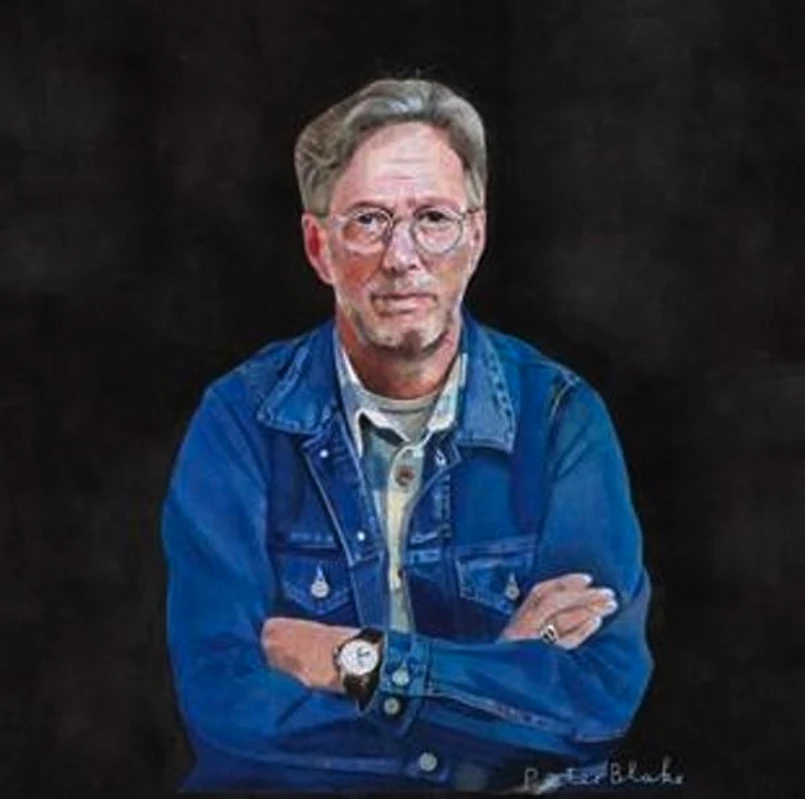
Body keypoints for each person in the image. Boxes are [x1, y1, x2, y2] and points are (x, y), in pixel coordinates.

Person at [160, 78, 653, 792]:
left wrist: (355, 661)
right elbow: (224, 711)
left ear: (475, 237)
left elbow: (595, 700)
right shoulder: (240, 420)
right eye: (368, 221)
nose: (401, 256)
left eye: (433, 218)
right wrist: (489, 696)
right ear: (318, 246)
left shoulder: (558, 417)